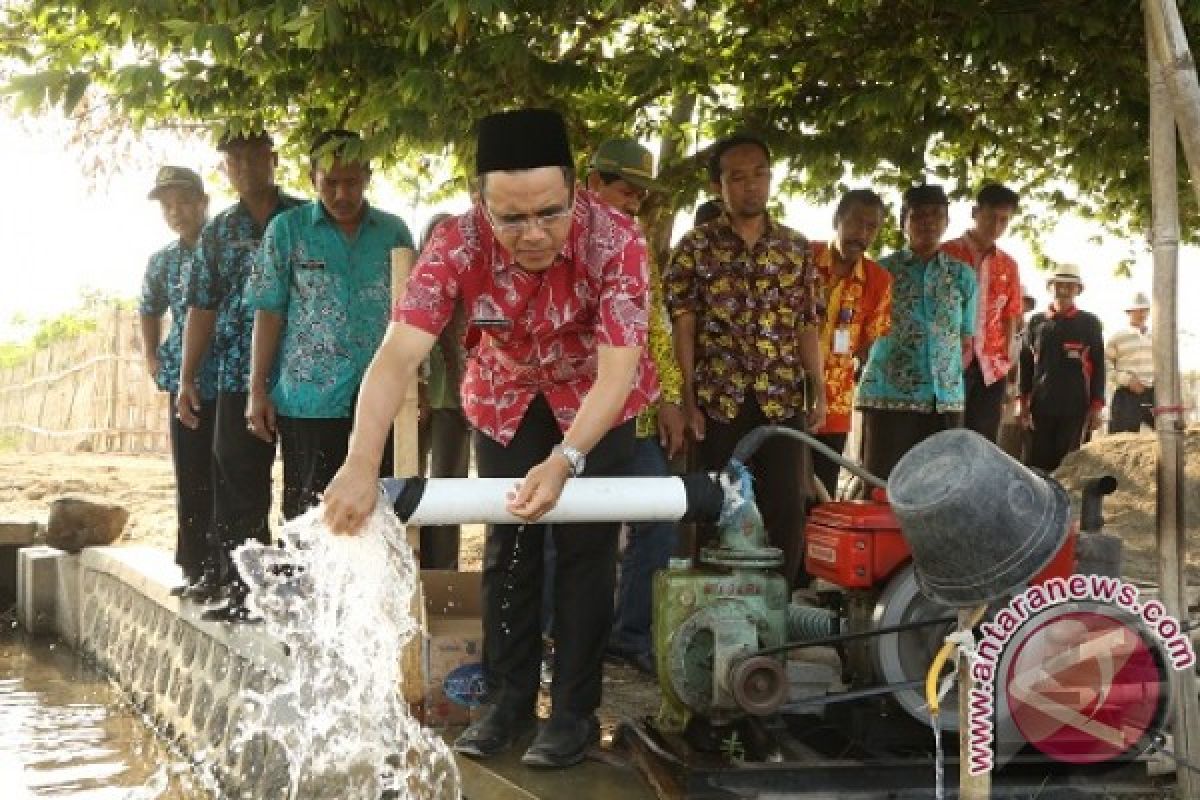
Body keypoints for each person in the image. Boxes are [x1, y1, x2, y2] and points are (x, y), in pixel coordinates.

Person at [322, 109, 657, 769]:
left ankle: (573, 714)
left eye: (550, 213)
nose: (533, 234)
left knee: (588, 552)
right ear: (481, 202)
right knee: (509, 545)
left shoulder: (618, 241)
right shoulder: (455, 243)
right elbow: (396, 357)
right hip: (506, 397)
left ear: (575, 189)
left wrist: (566, 460)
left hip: (597, 402)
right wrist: (361, 462)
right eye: (511, 218)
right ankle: (505, 702)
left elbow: (618, 372)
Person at [664, 133, 825, 588]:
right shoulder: (696, 247)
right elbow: (684, 326)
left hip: (781, 396)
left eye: (760, 174)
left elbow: (807, 323)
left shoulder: (795, 247)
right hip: (719, 397)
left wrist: (818, 387)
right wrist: (687, 398)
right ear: (719, 187)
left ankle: (780, 603)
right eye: (738, 177)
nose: (751, 185)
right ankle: (717, 596)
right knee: (718, 500)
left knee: (788, 502)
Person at [245, 129, 412, 523]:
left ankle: (372, 587)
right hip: (308, 397)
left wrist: (415, 383)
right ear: (311, 179)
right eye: (330, 183)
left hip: (380, 394)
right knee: (309, 509)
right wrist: (257, 390)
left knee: (381, 506)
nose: (341, 194)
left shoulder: (394, 233)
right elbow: (268, 311)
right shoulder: (287, 230)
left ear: (367, 177)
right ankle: (305, 586)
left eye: (351, 182)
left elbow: (413, 317)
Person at [179, 131, 304, 622]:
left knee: (303, 485)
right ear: (225, 169)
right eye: (234, 159)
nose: (245, 166)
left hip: (301, 378)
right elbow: (201, 306)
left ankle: (297, 591)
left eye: (254, 156)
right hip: (233, 376)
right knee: (238, 483)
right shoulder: (218, 232)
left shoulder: (303, 219)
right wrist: (188, 378)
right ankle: (244, 592)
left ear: (273, 160)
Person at [585, 138, 686, 675]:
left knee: (659, 519)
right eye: (626, 189)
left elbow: (657, 327)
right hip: (578, 418)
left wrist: (670, 398)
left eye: (642, 195)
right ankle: (565, 638)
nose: (634, 202)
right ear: (593, 183)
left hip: (640, 417)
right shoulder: (562, 240)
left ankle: (631, 636)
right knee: (571, 528)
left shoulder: (639, 245)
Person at [856, 184, 977, 480]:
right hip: (887, 396)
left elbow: (965, 338)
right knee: (882, 483)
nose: (928, 222)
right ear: (903, 222)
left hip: (944, 399)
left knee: (939, 486)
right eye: (919, 215)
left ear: (947, 222)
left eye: (937, 215)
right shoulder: (879, 271)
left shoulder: (962, 275)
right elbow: (860, 335)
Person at [138, 166, 218, 594]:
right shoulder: (163, 261)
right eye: (167, 205)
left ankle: (226, 570)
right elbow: (148, 308)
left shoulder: (226, 246)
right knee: (190, 475)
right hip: (182, 385)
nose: (175, 211)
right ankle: (194, 566)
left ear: (203, 201)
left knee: (226, 474)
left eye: (183, 201)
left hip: (227, 379)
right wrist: (152, 356)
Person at [809, 189, 892, 497]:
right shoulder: (803, 257)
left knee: (822, 491)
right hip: (783, 395)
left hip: (835, 404)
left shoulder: (879, 280)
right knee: (781, 487)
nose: (862, 234)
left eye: (871, 227)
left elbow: (868, 342)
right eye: (856, 223)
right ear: (837, 220)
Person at [940, 183, 1024, 442]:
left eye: (1004, 220)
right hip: (949, 361)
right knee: (946, 436)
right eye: (991, 217)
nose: (996, 225)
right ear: (975, 212)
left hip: (991, 366)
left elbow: (1012, 315)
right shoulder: (945, 253)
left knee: (983, 440)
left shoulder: (1008, 264)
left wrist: (1009, 360)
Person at [415, 212, 470, 569]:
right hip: (412, 404)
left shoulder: (467, 290)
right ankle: (414, 568)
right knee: (410, 485)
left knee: (448, 488)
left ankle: (443, 572)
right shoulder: (412, 285)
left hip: (454, 403)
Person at [1020, 264, 1105, 471]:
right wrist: (1022, 403)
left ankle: (1068, 504)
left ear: (1078, 289)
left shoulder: (1089, 323)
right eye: (1059, 284)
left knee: (1068, 467)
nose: (1064, 289)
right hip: (1041, 406)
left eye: (1070, 285)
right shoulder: (1036, 322)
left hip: (1075, 407)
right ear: (1050, 287)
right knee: (1037, 466)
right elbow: (1026, 363)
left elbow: (1099, 365)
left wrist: (1096, 406)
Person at [1105, 291, 1154, 433]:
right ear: (1129, 311)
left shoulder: (1158, 336)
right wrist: (1127, 380)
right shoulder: (1117, 337)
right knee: (1120, 440)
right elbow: (1106, 366)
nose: (1142, 313)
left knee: (1167, 437)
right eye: (1138, 310)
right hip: (1126, 396)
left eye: (1145, 310)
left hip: (1154, 394)